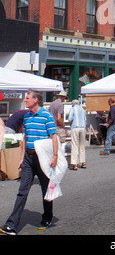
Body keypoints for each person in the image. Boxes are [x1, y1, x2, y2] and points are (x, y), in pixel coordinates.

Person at [0, 90, 58, 235]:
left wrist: (55, 156)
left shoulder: (46, 116)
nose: (25, 100)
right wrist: (21, 158)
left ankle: (47, 217)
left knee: (45, 190)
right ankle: (12, 225)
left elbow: (54, 137)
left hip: (42, 158)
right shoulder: (27, 117)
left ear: (35, 100)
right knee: (22, 191)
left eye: (27, 98)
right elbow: (25, 139)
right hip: (28, 158)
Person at [68, 100, 86, 170]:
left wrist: (70, 126)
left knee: (74, 145)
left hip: (75, 127)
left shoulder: (72, 109)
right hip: (82, 127)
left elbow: (70, 119)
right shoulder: (82, 109)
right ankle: (83, 162)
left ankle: (74, 164)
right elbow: (85, 119)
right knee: (82, 145)